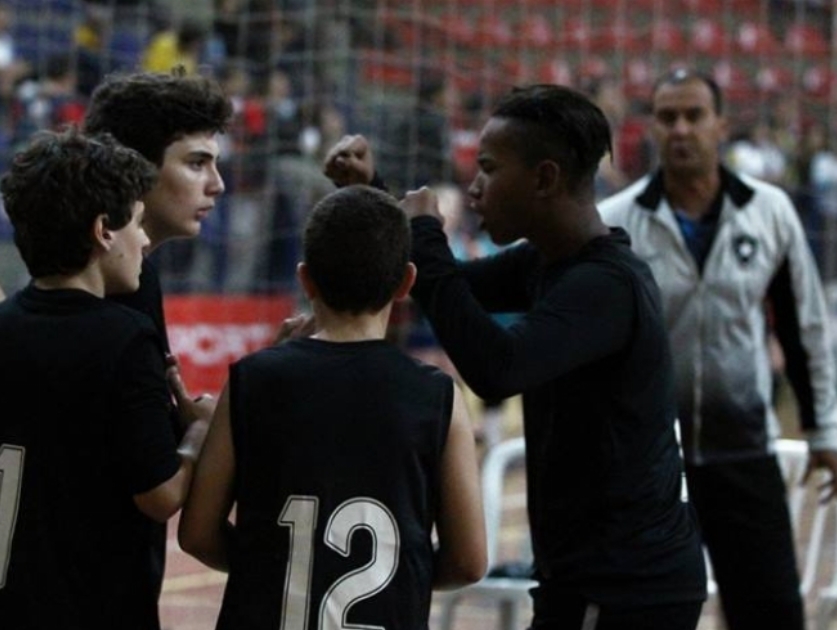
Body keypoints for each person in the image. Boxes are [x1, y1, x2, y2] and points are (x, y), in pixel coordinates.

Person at [325, 84, 707, 629]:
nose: (475, 187)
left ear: (545, 178)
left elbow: (496, 369)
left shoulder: (606, 285)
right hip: (588, 577)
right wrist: (378, 196)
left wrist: (426, 232)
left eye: (489, 169)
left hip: (625, 588)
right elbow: (449, 287)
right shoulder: (548, 262)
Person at [178, 184, 487, 629]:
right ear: (406, 283)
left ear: (305, 280)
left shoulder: (252, 379)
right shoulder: (439, 396)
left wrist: (273, 569)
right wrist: (402, 576)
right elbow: (470, 562)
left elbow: (197, 534)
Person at [598, 68, 837, 630]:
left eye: (694, 115)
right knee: (641, 615)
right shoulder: (616, 223)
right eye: (667, 117)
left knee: (773, 611)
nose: (681, 129)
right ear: (652, 127)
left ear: (721, 124)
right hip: (651, 462)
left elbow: (804, 327)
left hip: (744, 450)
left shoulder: (769, 211)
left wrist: (822, 427)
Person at [0, 128, 211, 628]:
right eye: (138, 223)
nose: (143, 239)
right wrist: (200, 432)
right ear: (103, 231)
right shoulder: (124, 338)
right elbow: (159, 496)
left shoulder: (5, 325)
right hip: (89, 604)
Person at [81, 65, 233, 611]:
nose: (216, 184)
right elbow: (157, 490)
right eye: (196, 163)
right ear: (135, 171)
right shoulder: (118, 297)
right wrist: (204, 431)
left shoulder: (117, 277)